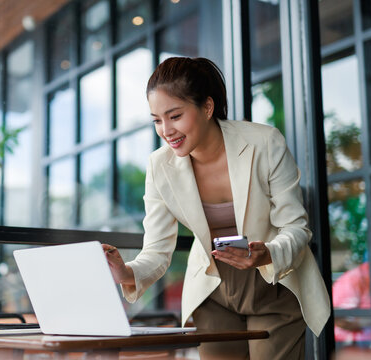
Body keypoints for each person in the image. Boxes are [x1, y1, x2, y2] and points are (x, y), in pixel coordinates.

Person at [103, 57, 330, 359]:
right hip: (213, 292)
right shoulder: (160, 166)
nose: (166, 130)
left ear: (207, 108)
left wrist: (268, 252)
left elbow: (296, 227)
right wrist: (125, 271)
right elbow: (157, 251)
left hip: (273, 285)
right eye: (157, 120)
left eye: (175, 116)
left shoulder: (264, 142)